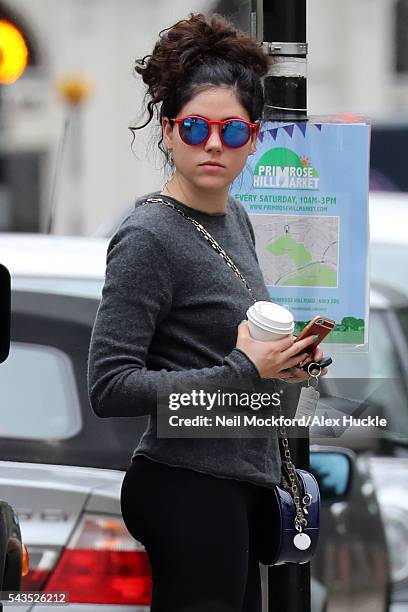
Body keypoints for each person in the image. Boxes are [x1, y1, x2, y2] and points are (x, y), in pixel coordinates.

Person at [87, 13, 326, 612]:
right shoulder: (148, 234)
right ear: (168, 133)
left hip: (240, 481)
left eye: (231, 129)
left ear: (253, 136)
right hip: (187, 484)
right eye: (195, 128)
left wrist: (285, 363)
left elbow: (226, 355)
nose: (213, 144)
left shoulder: (235, 219)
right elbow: (111, 386)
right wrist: (244, 370)